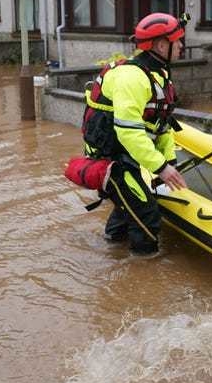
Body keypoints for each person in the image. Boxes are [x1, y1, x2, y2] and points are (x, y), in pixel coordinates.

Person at [81, 13, 188, 254]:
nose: (181, 46)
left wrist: (168, 161)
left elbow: (161, 124)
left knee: (129, 207)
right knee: (148, 216)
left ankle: (111, 249)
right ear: (161, 45)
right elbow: (129, 133)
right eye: (177, 41)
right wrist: (161, 168)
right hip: (112, 162)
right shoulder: (132, 78)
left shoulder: (158, 75)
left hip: (126, 157)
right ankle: (142, 273)